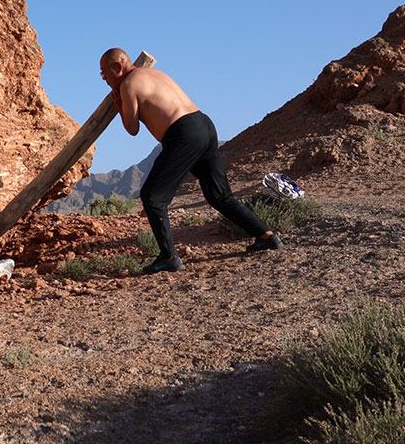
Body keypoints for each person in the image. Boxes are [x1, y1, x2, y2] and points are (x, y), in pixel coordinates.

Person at [99, 48, 282, 274]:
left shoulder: (128, 84)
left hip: (182, 133)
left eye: (104, 74)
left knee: (152, 197)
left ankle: (168, 257)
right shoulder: (155, 74)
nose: (105, 80)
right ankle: (267, 236)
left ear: (117, 67)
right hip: (204, 124)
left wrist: (120, 107)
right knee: (219, 195)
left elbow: (132, 128)